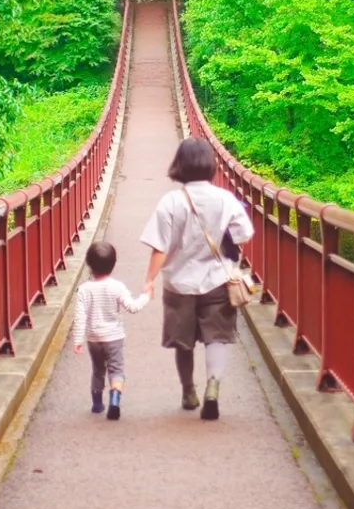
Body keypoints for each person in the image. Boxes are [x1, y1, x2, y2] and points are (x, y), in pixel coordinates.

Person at [140, 137, 254, 421]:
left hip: (179, 284)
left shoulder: (171, 201)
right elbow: (244, 233)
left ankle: (188, 390)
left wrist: (149, 279)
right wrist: (225, 238)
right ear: (210, 165)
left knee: (183, 340)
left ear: (179, 164)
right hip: (218, 280)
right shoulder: (225, 198)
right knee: (217, 337)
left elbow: (159, 247)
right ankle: (213, 388)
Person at [72, 241, 150, 420]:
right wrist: (146, 296)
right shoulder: (117, 287)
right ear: (113, 264)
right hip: (114, 337)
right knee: (116, 370)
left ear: (89, 264)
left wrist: (77, 341)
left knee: (98, 370)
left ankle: (97, 404)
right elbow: (132, 307)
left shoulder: (84, 289)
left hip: (93, 338)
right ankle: (115, 399)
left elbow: (80, 316)